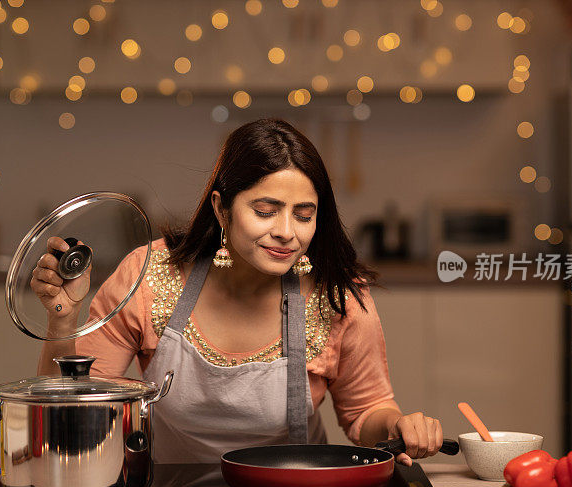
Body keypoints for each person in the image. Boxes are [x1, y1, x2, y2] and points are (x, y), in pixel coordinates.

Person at [31, 118, 443, 465]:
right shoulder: (150, 275)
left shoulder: (338, 297)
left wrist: (396, 427)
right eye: (265, 211)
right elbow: (73, 412)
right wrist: (63, 319)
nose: (285, 232)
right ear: (221, 208)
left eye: (304, 215)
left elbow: (367, 411)